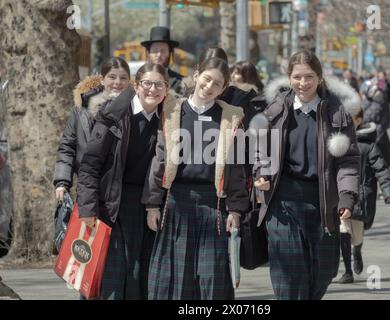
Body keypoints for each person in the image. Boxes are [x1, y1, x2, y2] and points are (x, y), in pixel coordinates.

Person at [253, 51, 360, 300]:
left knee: (323, 272)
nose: (303, 83)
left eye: (309, 77)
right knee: (288, 273)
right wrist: (261, 172)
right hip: (282, 201)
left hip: (322, 201)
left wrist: (347, 195)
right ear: (288, 78)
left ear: (320, 78)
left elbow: (348, 161)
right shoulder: (276, 110)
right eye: (297, 77)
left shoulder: (337, 114)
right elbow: (259, 146)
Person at [142, 57, 248, 300]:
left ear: (224, 88)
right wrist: (152, 204)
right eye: (207, 78)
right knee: (174, 280)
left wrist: (236, 210)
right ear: (196, 75)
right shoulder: (171, 110)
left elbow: (237, 168)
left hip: (214, 205)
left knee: (212, 280)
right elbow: (159, 159)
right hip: (176, 202)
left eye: (217, 84)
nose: (209, 86)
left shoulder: (231, 118)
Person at [76, 63, 170, 299]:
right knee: (109, 276)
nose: (153, 89)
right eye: (147, 83)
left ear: (167, 89)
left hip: (146, 205)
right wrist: (87, 208)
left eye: (160, 84)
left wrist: (154, 205)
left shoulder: (169, 120)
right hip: (109, 203)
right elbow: (90, 164)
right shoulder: (113, 114)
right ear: (136, 85)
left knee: (138, 276)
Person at [53, 57, 130, 202]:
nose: (118, 82)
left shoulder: (135, 109)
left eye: (123, 78)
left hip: (122, 193)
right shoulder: (81, 109)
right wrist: (62, 181)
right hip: (87, 188)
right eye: (112, 77)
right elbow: (67, 146)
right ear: (102, 79)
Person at [338, 107, 390, 284]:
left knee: (357, 235)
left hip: (361, 197)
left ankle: (357, 251)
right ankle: (347, 271)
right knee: (343, 231)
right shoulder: (337, 142)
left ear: (360, 119)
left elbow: (381, 169)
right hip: (340, 196)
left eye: (353, 118)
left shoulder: (369, 146)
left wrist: (388, 191)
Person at [141, 26, 183, 92]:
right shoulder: (139, 79)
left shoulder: (180, 82)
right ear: (148, 53)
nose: (159, 55)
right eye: (155, 50)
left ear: (169, 53)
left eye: (163, 51)